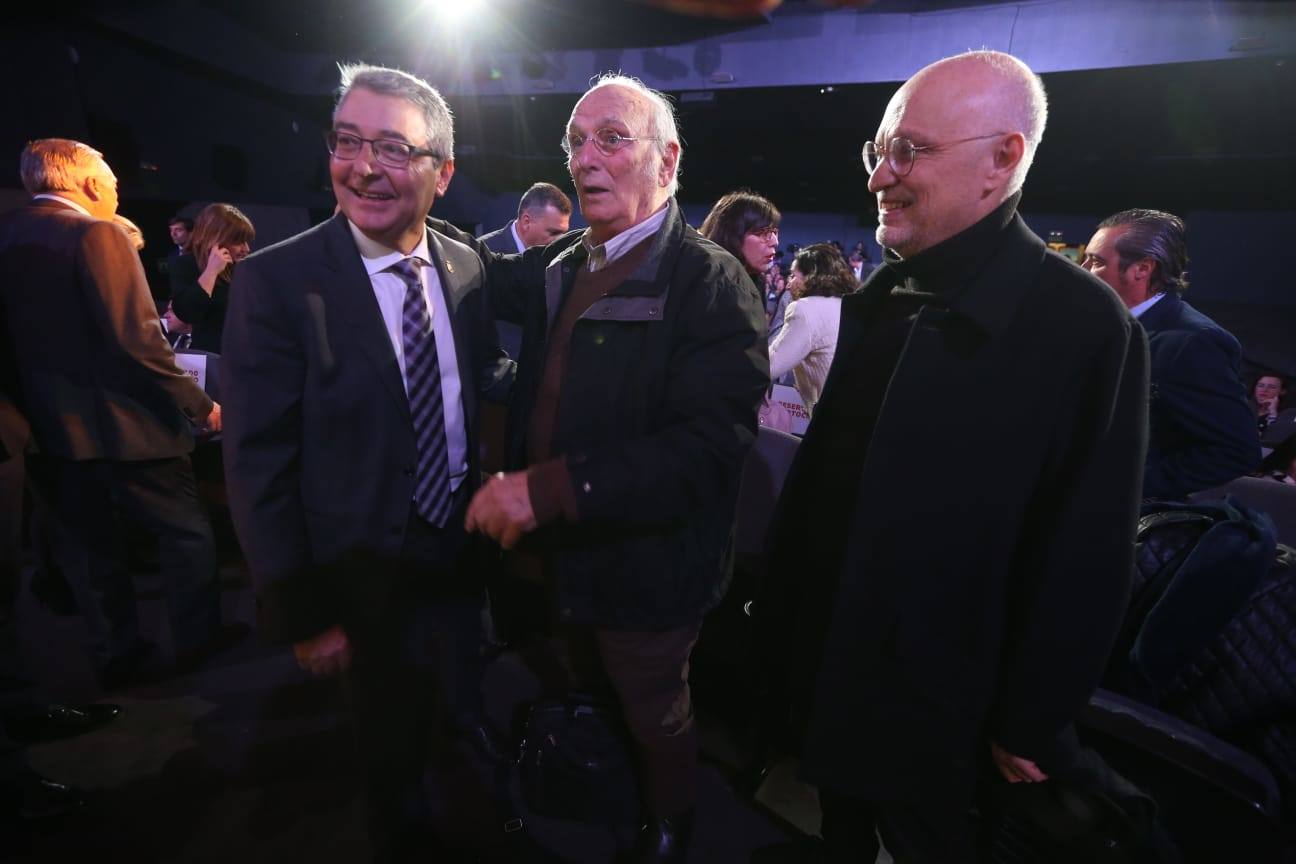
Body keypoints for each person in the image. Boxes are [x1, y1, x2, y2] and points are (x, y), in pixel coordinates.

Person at [761, 51, 1148, 862]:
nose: (880, 178)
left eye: (910, 152)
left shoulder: (1084, 327)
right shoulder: (884, 300)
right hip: (835, 680)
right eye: (879, 152)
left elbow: (1086, 550)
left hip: (944, 726)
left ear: (1002, 158)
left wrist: (1030, 719)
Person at [434, 73, 768, 863]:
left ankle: (670, 820)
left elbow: (706, 449)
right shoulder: (563, 267)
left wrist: (548, 488)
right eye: (576, 142)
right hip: (563, 549)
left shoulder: (709, 282)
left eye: (612, 138)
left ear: (667, 158)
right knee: (582, 673)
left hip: (650, 561)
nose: (587, 158)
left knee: (655, 705)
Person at [221, 63, 510, 863]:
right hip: (356, 572)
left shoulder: (465, 267)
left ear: (442, 174)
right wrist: (302, 610)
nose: (362, 167)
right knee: (388, 754)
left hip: (458, 549)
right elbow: (257, 462)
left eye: (391, 147)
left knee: (459, 702)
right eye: (347, 142)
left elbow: (475, 380)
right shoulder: (277, 282)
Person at [0, 139, 231, 688]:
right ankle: (198, 646)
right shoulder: (98, 233)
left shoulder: (9, 233)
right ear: (86, 182)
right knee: (187, 536)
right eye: (110, 177)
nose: (115, 188)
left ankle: (117, 654)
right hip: (131, 430)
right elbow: (138, 340)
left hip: (48, 432)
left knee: (89, 550)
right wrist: (200, 404)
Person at [1083, 209, 1257, 498]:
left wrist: (1126, 485)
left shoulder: (1195, 342)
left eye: (1097, 261)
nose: (1084, 270)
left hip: (1117, 519)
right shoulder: (1099, 321)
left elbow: (1236, 451)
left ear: (1142, 268)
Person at [768, 242, 856, 416]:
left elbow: (768, 367)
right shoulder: (846, 305)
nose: (788, 284)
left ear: (811, 276)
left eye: (793, 276)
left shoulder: (804, 308)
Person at [168, 203, 254, 352]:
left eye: (247, 242)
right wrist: (211, 271)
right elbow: (187, 313)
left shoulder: (246, 269)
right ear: (216, 240)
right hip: (210, 359)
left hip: (248, 356)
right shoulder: (185, 265)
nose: (246, 249)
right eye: (239, 242)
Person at [698, 189, 781, 288]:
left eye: (774, 232)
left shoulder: (757, 283)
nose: (775, 242)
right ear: (732, 235)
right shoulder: (703, 284)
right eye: (763, 232)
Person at [479, 181, 573, 254]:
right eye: (553, 232)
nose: (560, 240)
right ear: (526, 222)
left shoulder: (560, 259)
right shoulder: (481, 253)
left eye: (564, 233)